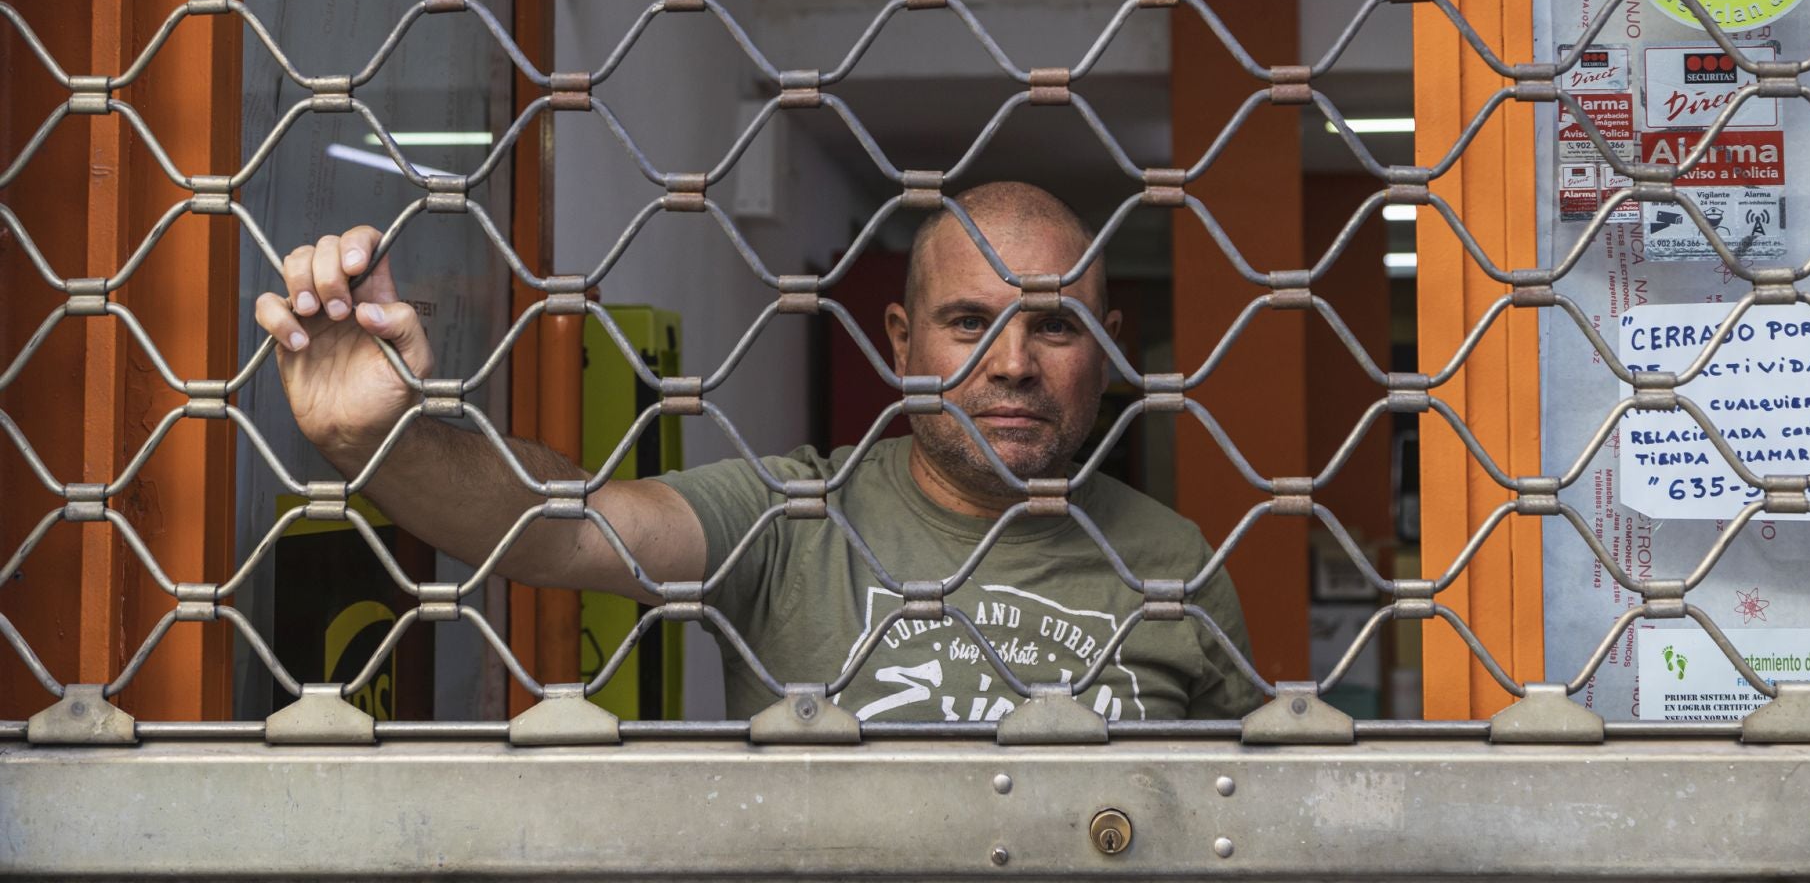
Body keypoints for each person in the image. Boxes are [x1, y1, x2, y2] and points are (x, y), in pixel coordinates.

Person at [255, 181, 1262, 722]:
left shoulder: (1176, 566)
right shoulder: (796, 518)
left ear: (1108, 349)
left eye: (1054, 326)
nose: (1011, 363)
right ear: (902, 343)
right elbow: (565, 530)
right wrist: (380, 437)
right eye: (968, 321)